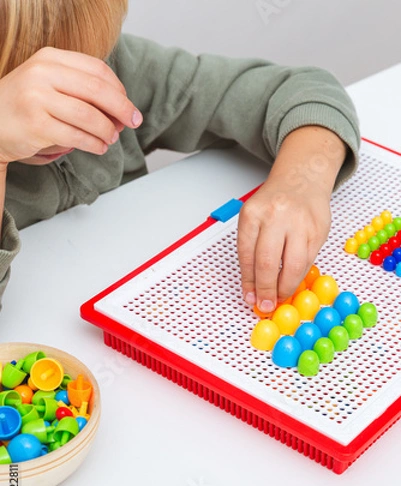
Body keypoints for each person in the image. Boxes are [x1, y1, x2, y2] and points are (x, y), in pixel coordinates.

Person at [0, 0, 360, 314]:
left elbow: (301, 89)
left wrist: (301, 182)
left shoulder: (114, 64)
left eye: (90, 60)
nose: (68, 108)